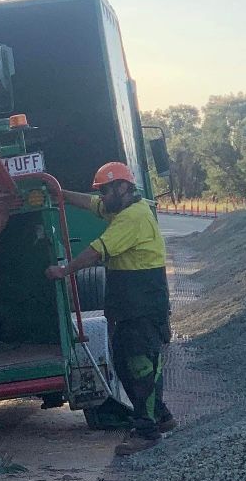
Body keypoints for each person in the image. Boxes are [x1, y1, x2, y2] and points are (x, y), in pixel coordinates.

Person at [45, 161, 175, 456]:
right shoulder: (120, 208)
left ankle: (147, 431)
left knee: (141, 367)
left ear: (123, 188)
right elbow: (91, 204)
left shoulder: (133, 217)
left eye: (105, 191)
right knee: (125, 365)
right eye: (101, 191)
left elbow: (96, 251)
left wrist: (64, 271)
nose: (102, 197)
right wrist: (60, 193)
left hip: (141, 305)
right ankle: (161, 415)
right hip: (129, 305)